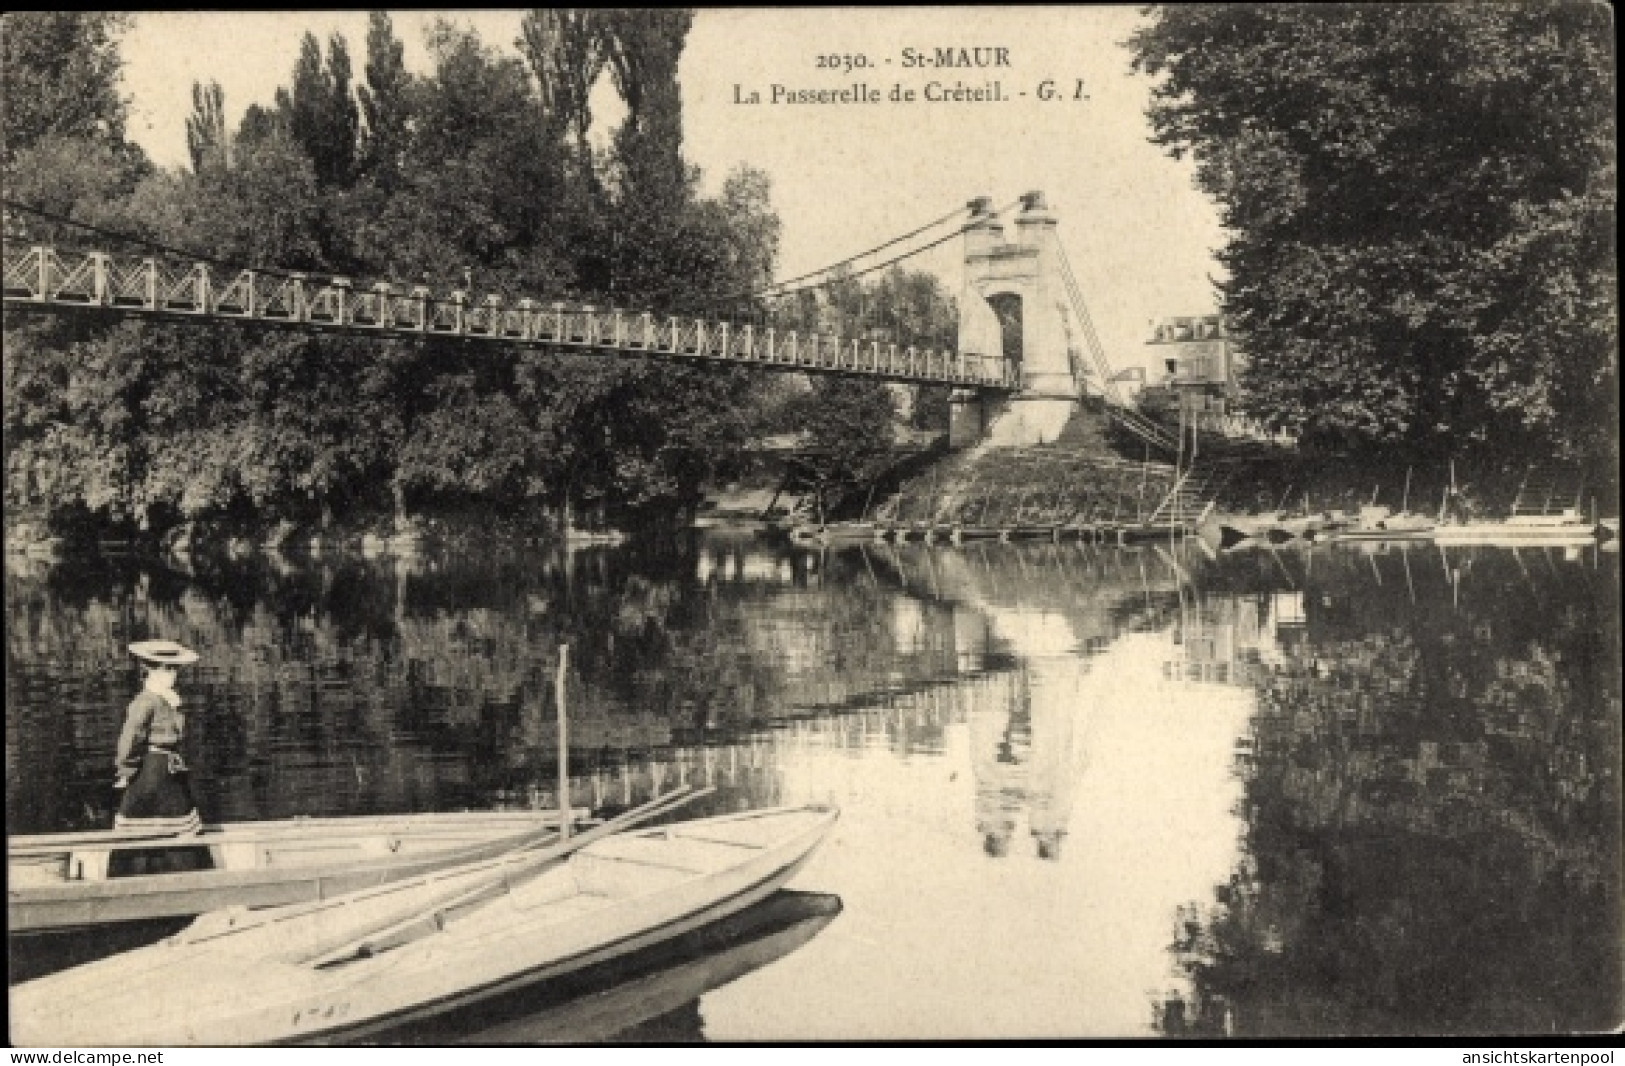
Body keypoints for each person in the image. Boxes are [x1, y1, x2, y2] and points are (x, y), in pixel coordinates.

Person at [114, 639, 203, 835]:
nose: (173, 674)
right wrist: (125, 769)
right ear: (151, 670)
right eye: (167, 669)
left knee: (178, 817)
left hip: (169, 769)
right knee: (148, 817)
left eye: (175, 669)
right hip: (150, 768)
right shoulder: (145, 701)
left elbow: (177, 734)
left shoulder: (169, 698)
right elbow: (130, 736)